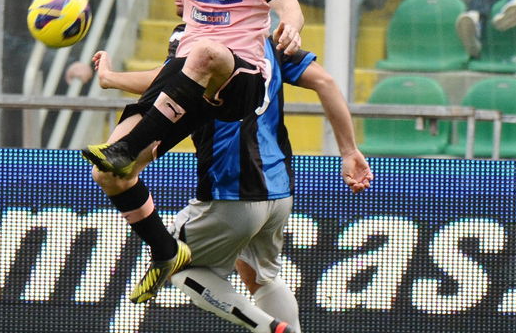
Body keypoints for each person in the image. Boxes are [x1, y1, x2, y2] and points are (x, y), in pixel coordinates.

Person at [11, 0, 305, 303]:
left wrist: (292, 25)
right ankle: (165, 251)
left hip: (241, 77)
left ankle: (127, 150)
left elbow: (286, 2)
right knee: (108, 175)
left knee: (202, 53)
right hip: (189, 73)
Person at [91, 27, 372, 332]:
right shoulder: (267, 40)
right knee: (261, 277)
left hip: (231, 187)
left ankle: (267, 328)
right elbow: (325, 81)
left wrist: (110, 78)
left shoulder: (196, 39)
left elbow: (165, 80)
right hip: (279, 189)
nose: (179, 0)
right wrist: (349, 151)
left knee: (177, 262)